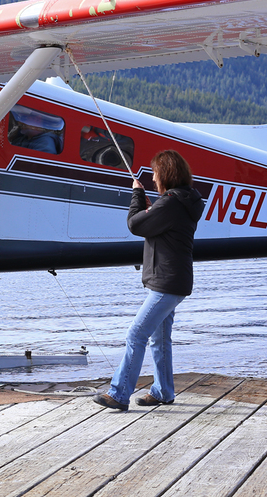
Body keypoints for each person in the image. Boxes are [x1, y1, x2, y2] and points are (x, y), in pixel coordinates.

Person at [93, 150, 204, 411]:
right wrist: (148, 201)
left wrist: (137, 193)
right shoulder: (182, 202)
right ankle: (163, 391)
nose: (153, 179)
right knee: (160, 339)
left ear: (165, 174)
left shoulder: (170, 204)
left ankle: (119, 394)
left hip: (166, 284)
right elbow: (151, 224)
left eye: (155, 173)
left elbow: (135, 224)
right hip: (173, 282)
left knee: (136, 334)